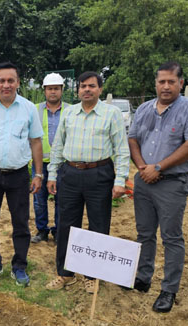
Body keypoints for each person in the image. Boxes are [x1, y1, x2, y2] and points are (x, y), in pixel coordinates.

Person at [128, 61, 188, 313]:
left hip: (172, 183)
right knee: (144, 233)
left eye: (171, 81)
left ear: (180, 83)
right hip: (144, 180)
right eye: (161, 81)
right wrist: (143, 167)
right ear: (156, 83)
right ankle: (142, 277)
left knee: (171, 237)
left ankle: (168, 290)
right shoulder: (143, 109)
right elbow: (132, 139)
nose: (165, 86)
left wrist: (158, 167)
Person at [45, 71, 129, 293]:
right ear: (78, 90)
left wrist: (120, 180)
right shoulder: (69, 113)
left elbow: (121, 150)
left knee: (98, 225)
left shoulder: (111, 114)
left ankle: (92, 275)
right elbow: (57, 146)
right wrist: (52, 174)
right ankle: (65, 273)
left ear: (100, 89)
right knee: (66, 225)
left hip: (99, 174)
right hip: (70, 173)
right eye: (83, 86)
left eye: (91, 86)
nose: (87, 90)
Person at [0, 62, 44, 287]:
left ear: (18, 83)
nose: (6, 85)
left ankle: (19, 266)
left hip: (19, 175)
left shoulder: (28, 108)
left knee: (21, 222)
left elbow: (35, 141)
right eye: (1, 81)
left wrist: (38, 174)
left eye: (10, 80)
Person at [31, 73, 69, 244]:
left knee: (62, 199)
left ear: (61, 90)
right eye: (49, 89)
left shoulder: (71, 110)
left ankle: (59, 231)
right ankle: (42, 230)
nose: (53, 92)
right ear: (44, 91)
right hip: (40, 163)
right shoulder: (35, 109)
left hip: (63, 164)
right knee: (39, 200)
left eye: (56, 88)